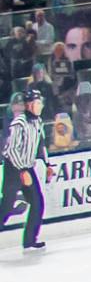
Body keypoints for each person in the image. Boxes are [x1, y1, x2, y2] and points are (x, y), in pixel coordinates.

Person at [0, 87, 48, 251]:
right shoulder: (19, 123)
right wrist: (22, 170)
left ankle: (29, 240)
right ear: (29, 105)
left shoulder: (38, 122)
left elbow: (40, 145)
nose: (40, 105)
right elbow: (10, 149)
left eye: (40, 102)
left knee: (37, 202)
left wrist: (48, 164)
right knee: (6, 206)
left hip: (27, 167)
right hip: (14, 169)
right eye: (37, 102)